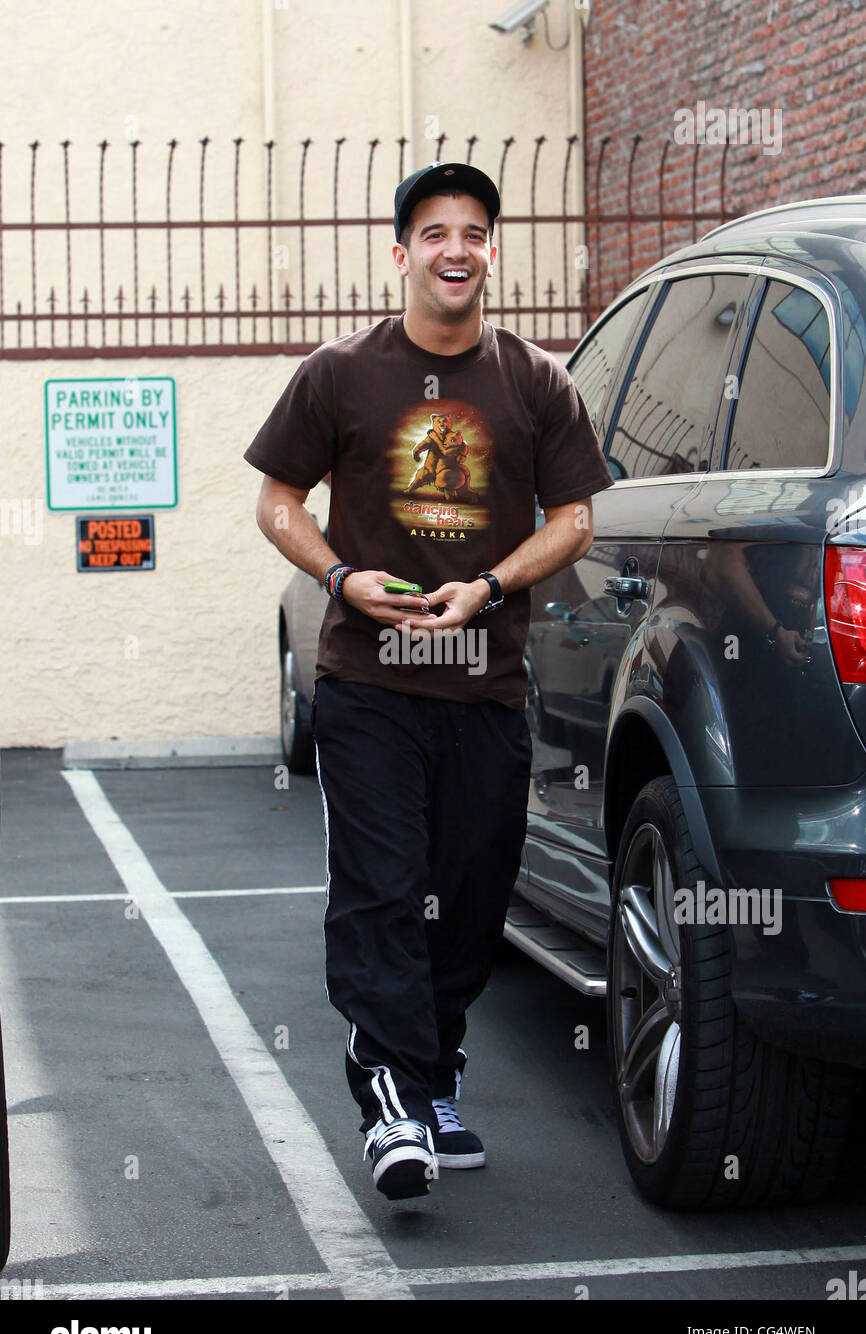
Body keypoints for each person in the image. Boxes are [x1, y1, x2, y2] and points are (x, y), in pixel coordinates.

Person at [245, 160, 613, 1202]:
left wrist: (489, 584)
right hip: (367, 684)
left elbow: (575, 518)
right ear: (400, 253)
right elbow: (277, 501)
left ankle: (433, 1068)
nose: (456, 248)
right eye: (434, 231)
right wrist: (340, 575)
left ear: (491, 251)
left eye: (474, 232)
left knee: (471, 897)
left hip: (484, 686)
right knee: (381, 887)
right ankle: (390, 1095)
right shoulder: (340, 373)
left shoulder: (536, 381)